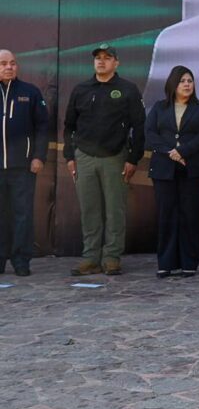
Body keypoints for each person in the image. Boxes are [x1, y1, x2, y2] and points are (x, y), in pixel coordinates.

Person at [64, 43, 146, 276]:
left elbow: (139, 127)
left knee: (114, 210)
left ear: (116, 63)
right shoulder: (81, 89)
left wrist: (133, 158)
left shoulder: (128, 89)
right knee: (89, 209)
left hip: (115, 157)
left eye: (107, 58)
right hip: (84, 158)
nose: (102, 61)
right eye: (98, 58)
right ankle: (91, 257)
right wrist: (70, 156)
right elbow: (69, 126)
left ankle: (111, 257)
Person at [145, 66, 199, 278]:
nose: (187, 84)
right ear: (173, 85)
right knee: (167, 215)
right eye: (182, 80)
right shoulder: (159, 107)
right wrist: (171, 152)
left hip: (194, 170)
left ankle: (189, 263)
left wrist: (183, 151)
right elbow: (150, 133)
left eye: (190, 81)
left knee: (190, 215)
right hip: (164, 169)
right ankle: (166, 263)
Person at [0, 50, 48, 277]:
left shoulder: (30, 92)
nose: (9, 67)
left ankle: (21, 261)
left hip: (23, 167)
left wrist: (38, 156)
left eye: (12, 63)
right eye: (3, 64)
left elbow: (42, 127)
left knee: (22, 215)